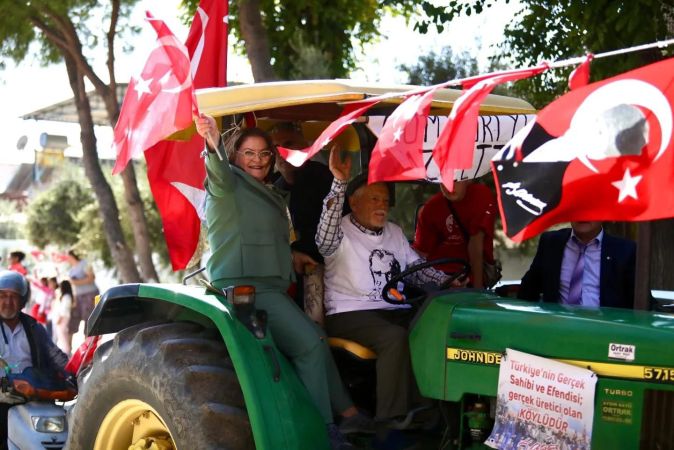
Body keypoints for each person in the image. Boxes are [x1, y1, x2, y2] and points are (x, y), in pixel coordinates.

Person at [195, 114, 370, 450]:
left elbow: (259, 235)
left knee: (317, 338)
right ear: (234, 156)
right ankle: (324, 432)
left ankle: (350, 414)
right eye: (249, 153)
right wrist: (212, 140)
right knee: (308, 344)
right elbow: (215, 170)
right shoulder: (228, 182)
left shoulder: (268, 191)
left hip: (271, 284)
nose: (257, 161)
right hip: (248, 286)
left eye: (263, 154)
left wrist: (292, 256)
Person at [317, 147, 453, 426]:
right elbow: (324, 237)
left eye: (386, 200)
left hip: (391, 308)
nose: (383, 205)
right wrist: (339, 183)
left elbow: (416, 270)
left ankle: (431, 411)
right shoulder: (339, 231)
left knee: (436, 326)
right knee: (394, 337)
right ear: (354, 203)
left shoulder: (392, 232)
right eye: (374, 198)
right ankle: (390, 419)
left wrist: (449, 281)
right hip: (349, 313)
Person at [270, 122, 334, 322]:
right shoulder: (271, 186)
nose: (281, 151)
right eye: (275, 147)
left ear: (305, 146)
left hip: (319, 265)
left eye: (288, 143)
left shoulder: (323, 178)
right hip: (277, 266)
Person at [0, 270, 70, 448]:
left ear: (23, 301)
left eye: (14, 297)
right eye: (2, 296)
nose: (7, 302)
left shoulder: (33, 327)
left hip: (32, 395)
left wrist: (73, 373)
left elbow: (54, 354)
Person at [518, 221, 636, 308]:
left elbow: (639, 302)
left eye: (589, 209)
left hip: (605, 331)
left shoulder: (624, 250)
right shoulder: (551, 242)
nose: (583, 216)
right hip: (557, 329)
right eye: (577, 209)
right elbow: (528, 290)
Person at [413, 180, 497, 289]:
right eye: (443, 179)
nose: (449, 186)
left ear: (468, 178)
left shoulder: (481, 195)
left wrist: (478, 290)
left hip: (470, 277)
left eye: (455, 180)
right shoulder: (431, 207)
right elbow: (420, 253)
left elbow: (476, 245)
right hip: (437, 279)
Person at [66, 249, 99, 334]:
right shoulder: (71, 270)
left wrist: (76, 282)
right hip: (78, 297)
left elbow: (91, 278)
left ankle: (90, 344)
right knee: (73, 322)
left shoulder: (85, 263)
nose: (67, 258)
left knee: (89, 320)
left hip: (89, 295)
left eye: (68, 256)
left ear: (72, 256)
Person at [52, 280, 73, 354]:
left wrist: (59, 319)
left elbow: (64, 310)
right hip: (63, 318)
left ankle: (66, 354)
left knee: (63, 337)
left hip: (63, 318)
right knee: (62, 337)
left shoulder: (66, 297)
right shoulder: (65, 296)